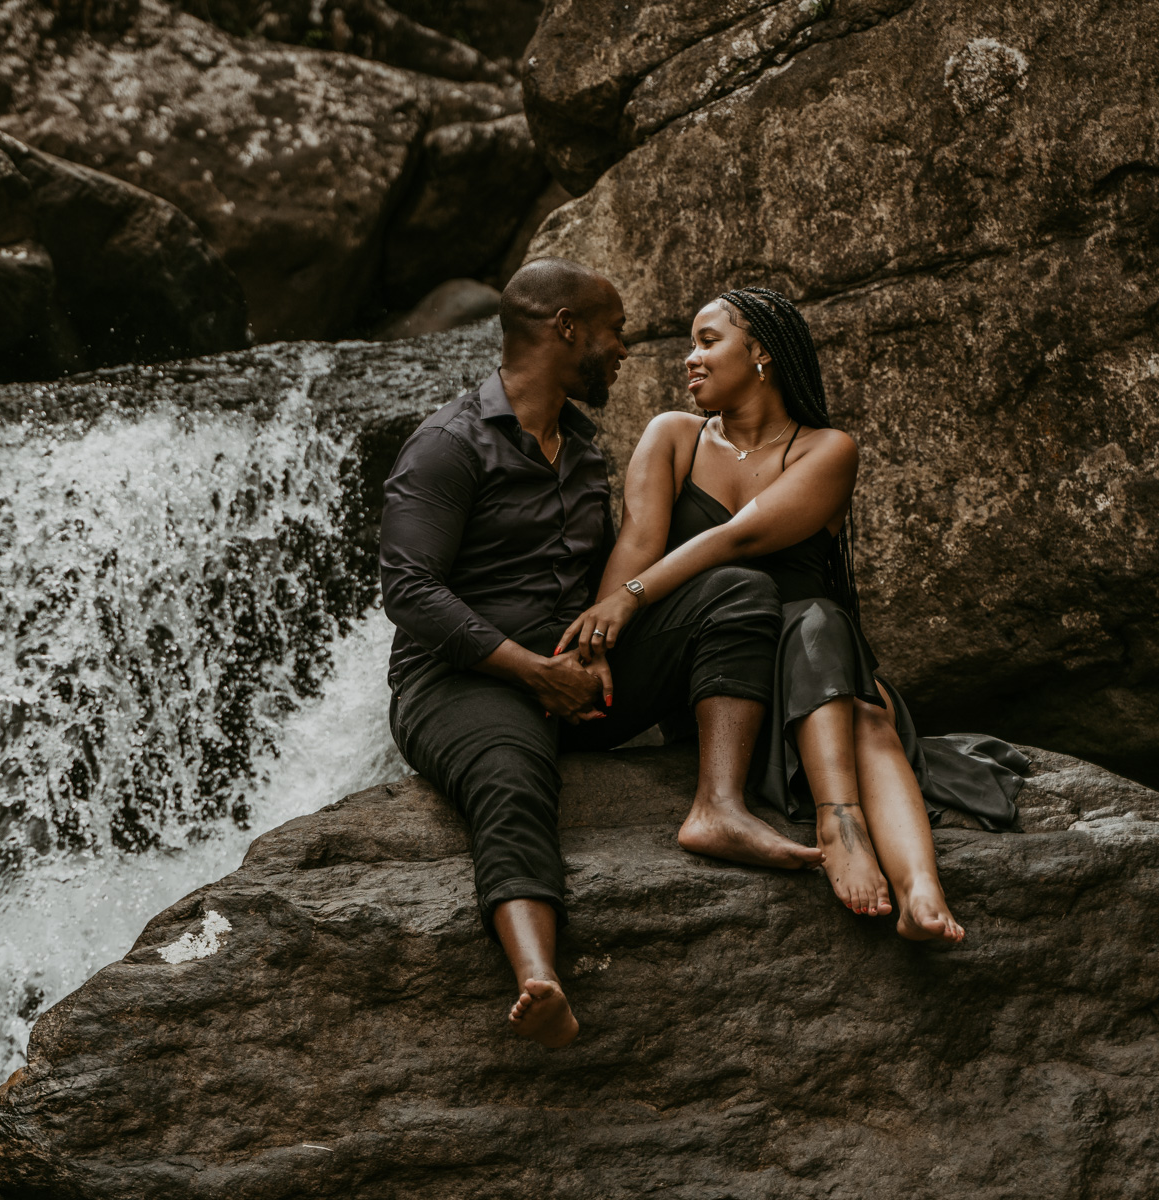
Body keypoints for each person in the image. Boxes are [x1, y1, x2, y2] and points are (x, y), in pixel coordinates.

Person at [380, 260, 822, 1051]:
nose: (623, 350)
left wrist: (593, 653)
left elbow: (602, 581)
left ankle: (718, 807)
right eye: (614, 331)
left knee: (737, 591)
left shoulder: (584, 453)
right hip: (462, 682)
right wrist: (531, 671)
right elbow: (410, 593)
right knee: (513, 778)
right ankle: (539, 979)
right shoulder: (448, 443)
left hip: (571, 676)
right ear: (566, 329)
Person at [558, 286, 1025, 944]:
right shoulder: (673, 437)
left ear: (762, 354)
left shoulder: (828, 450)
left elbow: (740, 537)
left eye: (708, 341)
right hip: (727, 673)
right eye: (691, 344)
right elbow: (635, 545)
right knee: (841, 669)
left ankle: (920, 893)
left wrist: (629, 596)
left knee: (842, 672)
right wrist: (599, 642)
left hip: (814, 666)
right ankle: (842, 826)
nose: (690, 358)